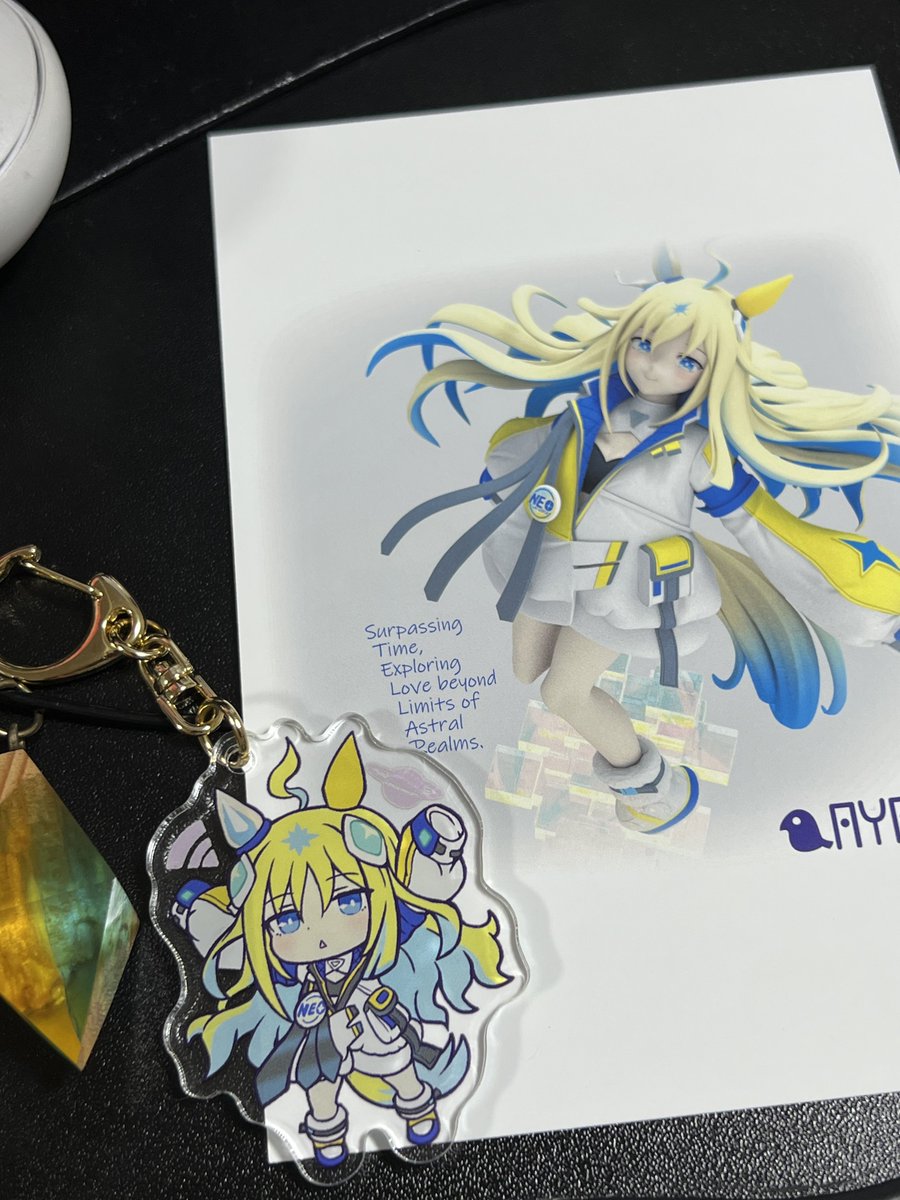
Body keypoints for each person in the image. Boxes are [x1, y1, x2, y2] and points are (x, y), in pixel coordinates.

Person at [372, 250, 900, 833]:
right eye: (644, 344)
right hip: (552, 565)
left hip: (624, 587)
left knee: (562, 695)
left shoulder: (698, 450)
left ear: (712, 374)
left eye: (686, 360)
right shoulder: (583, 413)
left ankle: (656, 792)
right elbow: (523, 465)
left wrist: (875, 611)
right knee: (526, 671)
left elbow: (765, 529)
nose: (653, 368)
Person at [175, 732, 509, 1168]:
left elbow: (414, 905)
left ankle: (417, 1105)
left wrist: (432, 847)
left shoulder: (382, 933)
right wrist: (199, 915)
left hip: (369, 1012)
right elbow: (243, 957)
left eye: (348, 900)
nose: (319, 934)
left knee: (396, 1061)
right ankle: (327, 1130)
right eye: (287, 920)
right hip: (321, 1027)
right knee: (318, 1080)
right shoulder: (285, 967)